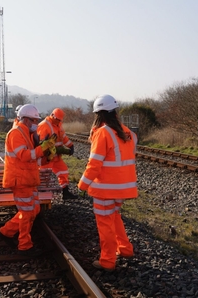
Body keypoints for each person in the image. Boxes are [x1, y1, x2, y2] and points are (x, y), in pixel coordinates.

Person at [77, 94, 137, 272]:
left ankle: (108, 261)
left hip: (105, 189)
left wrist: (82, 185)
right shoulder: (129, 133)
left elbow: (94, 164)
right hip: (123, 189)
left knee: (105, 226)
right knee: (115, 218)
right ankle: (125, 250)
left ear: (98, 114)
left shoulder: (103, 133)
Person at [0, 104, 57, 256]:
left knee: (34, 209)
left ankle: (6, 231)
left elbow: (33, 159)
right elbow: (24, 156)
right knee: (27, 212)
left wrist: (46, 156)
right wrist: (41, 149)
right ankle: (24, 245)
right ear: (26, 119)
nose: (36, 124)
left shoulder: (27, 134)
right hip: (20, 180)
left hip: (28, 179)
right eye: (34, 120)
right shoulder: (15, 134)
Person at [37, 108, 77, 199]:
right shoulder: (44, 126)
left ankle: (65, 192)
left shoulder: (58, 125)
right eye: (57, 120)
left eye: (59, 120)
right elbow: (41, 145)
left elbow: (63, 137)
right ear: (52, 116)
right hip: (46, 158)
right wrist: (57, 150)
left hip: (56, 157)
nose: (58, 121)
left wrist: (70, 145)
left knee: (64, 171)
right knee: (44, 175)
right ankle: (41, 194)